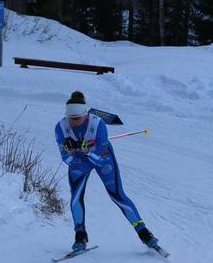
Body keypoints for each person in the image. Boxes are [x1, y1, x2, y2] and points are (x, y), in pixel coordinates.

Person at [54, 91, 159, 252]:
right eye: (71, 118)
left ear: (85, 115)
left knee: (117, 195)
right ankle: (80, 236)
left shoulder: (98, 124)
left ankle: (144, 233)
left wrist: (87, 152)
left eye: (77, 119)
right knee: (75, 198)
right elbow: (65, 159)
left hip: (101, 159)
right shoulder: (61, 127)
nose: (74, 123)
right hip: (79, 162)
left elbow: (101, 160)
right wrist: (71, 153)